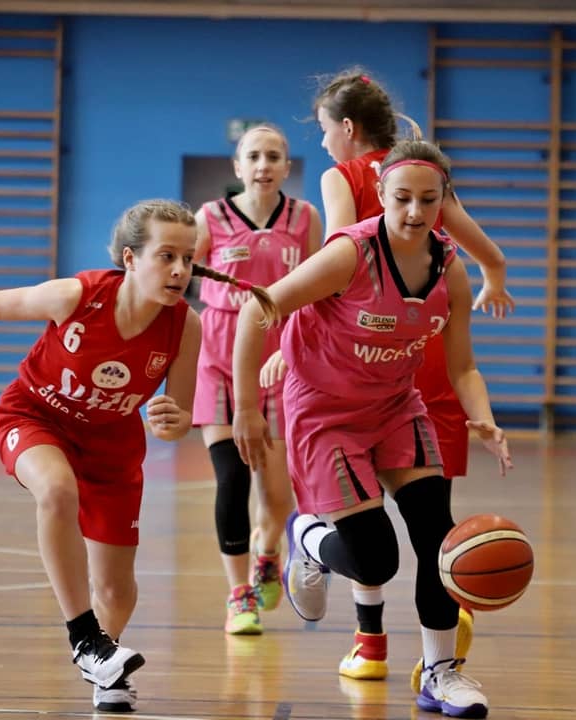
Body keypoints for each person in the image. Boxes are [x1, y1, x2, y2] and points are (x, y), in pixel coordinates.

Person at [0, 199, 279, 714]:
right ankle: (85, 638)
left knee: (118, 591)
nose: (179, 270)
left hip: (113, 448)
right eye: (166, 256)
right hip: (35, 417)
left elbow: (174, 421)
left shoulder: (185, 326)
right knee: (57, 490)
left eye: (187, 258)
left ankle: (105, 668)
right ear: (130, 259)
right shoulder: (78, 296)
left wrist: (171, 422)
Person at [232, 141, 514, 719]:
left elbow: (463, 366)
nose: (415, 211)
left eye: (429, 200)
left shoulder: (449, 268)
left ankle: (440, 673)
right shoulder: (349, 255)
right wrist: (245, 408)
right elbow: (257, 309)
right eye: (402, 197)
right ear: (381, 193)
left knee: (437, 536)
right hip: (325, 412)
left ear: (444, 202)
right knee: (376, 561)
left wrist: (483, 416)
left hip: (395, 407)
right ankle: (308, 540)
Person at [312, 68, 516, 688]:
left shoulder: (349, 177)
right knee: (430, 532)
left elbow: (330, 262)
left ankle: (375, 644)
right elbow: (490, 253)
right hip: (426, 363)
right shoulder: (426, 178)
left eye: (324, 129)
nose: (324, 142)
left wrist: (296, 343)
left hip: (364, 358)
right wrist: (494, 282)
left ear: (347, 128)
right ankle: (431, 647)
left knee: (368, 519)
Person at [192, 124, 322, 635]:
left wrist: (295, 351)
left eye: (273, 156)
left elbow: (319, 290)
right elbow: (179, 274)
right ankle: (238, 593)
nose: (263, 165)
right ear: (238, 166)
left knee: (277, 490)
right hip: (220, 361)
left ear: (287, 167)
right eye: (253, 156)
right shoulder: (210, 218)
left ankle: (268, 550)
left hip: (279, 363)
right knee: (232, 478)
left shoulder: (305, 218)